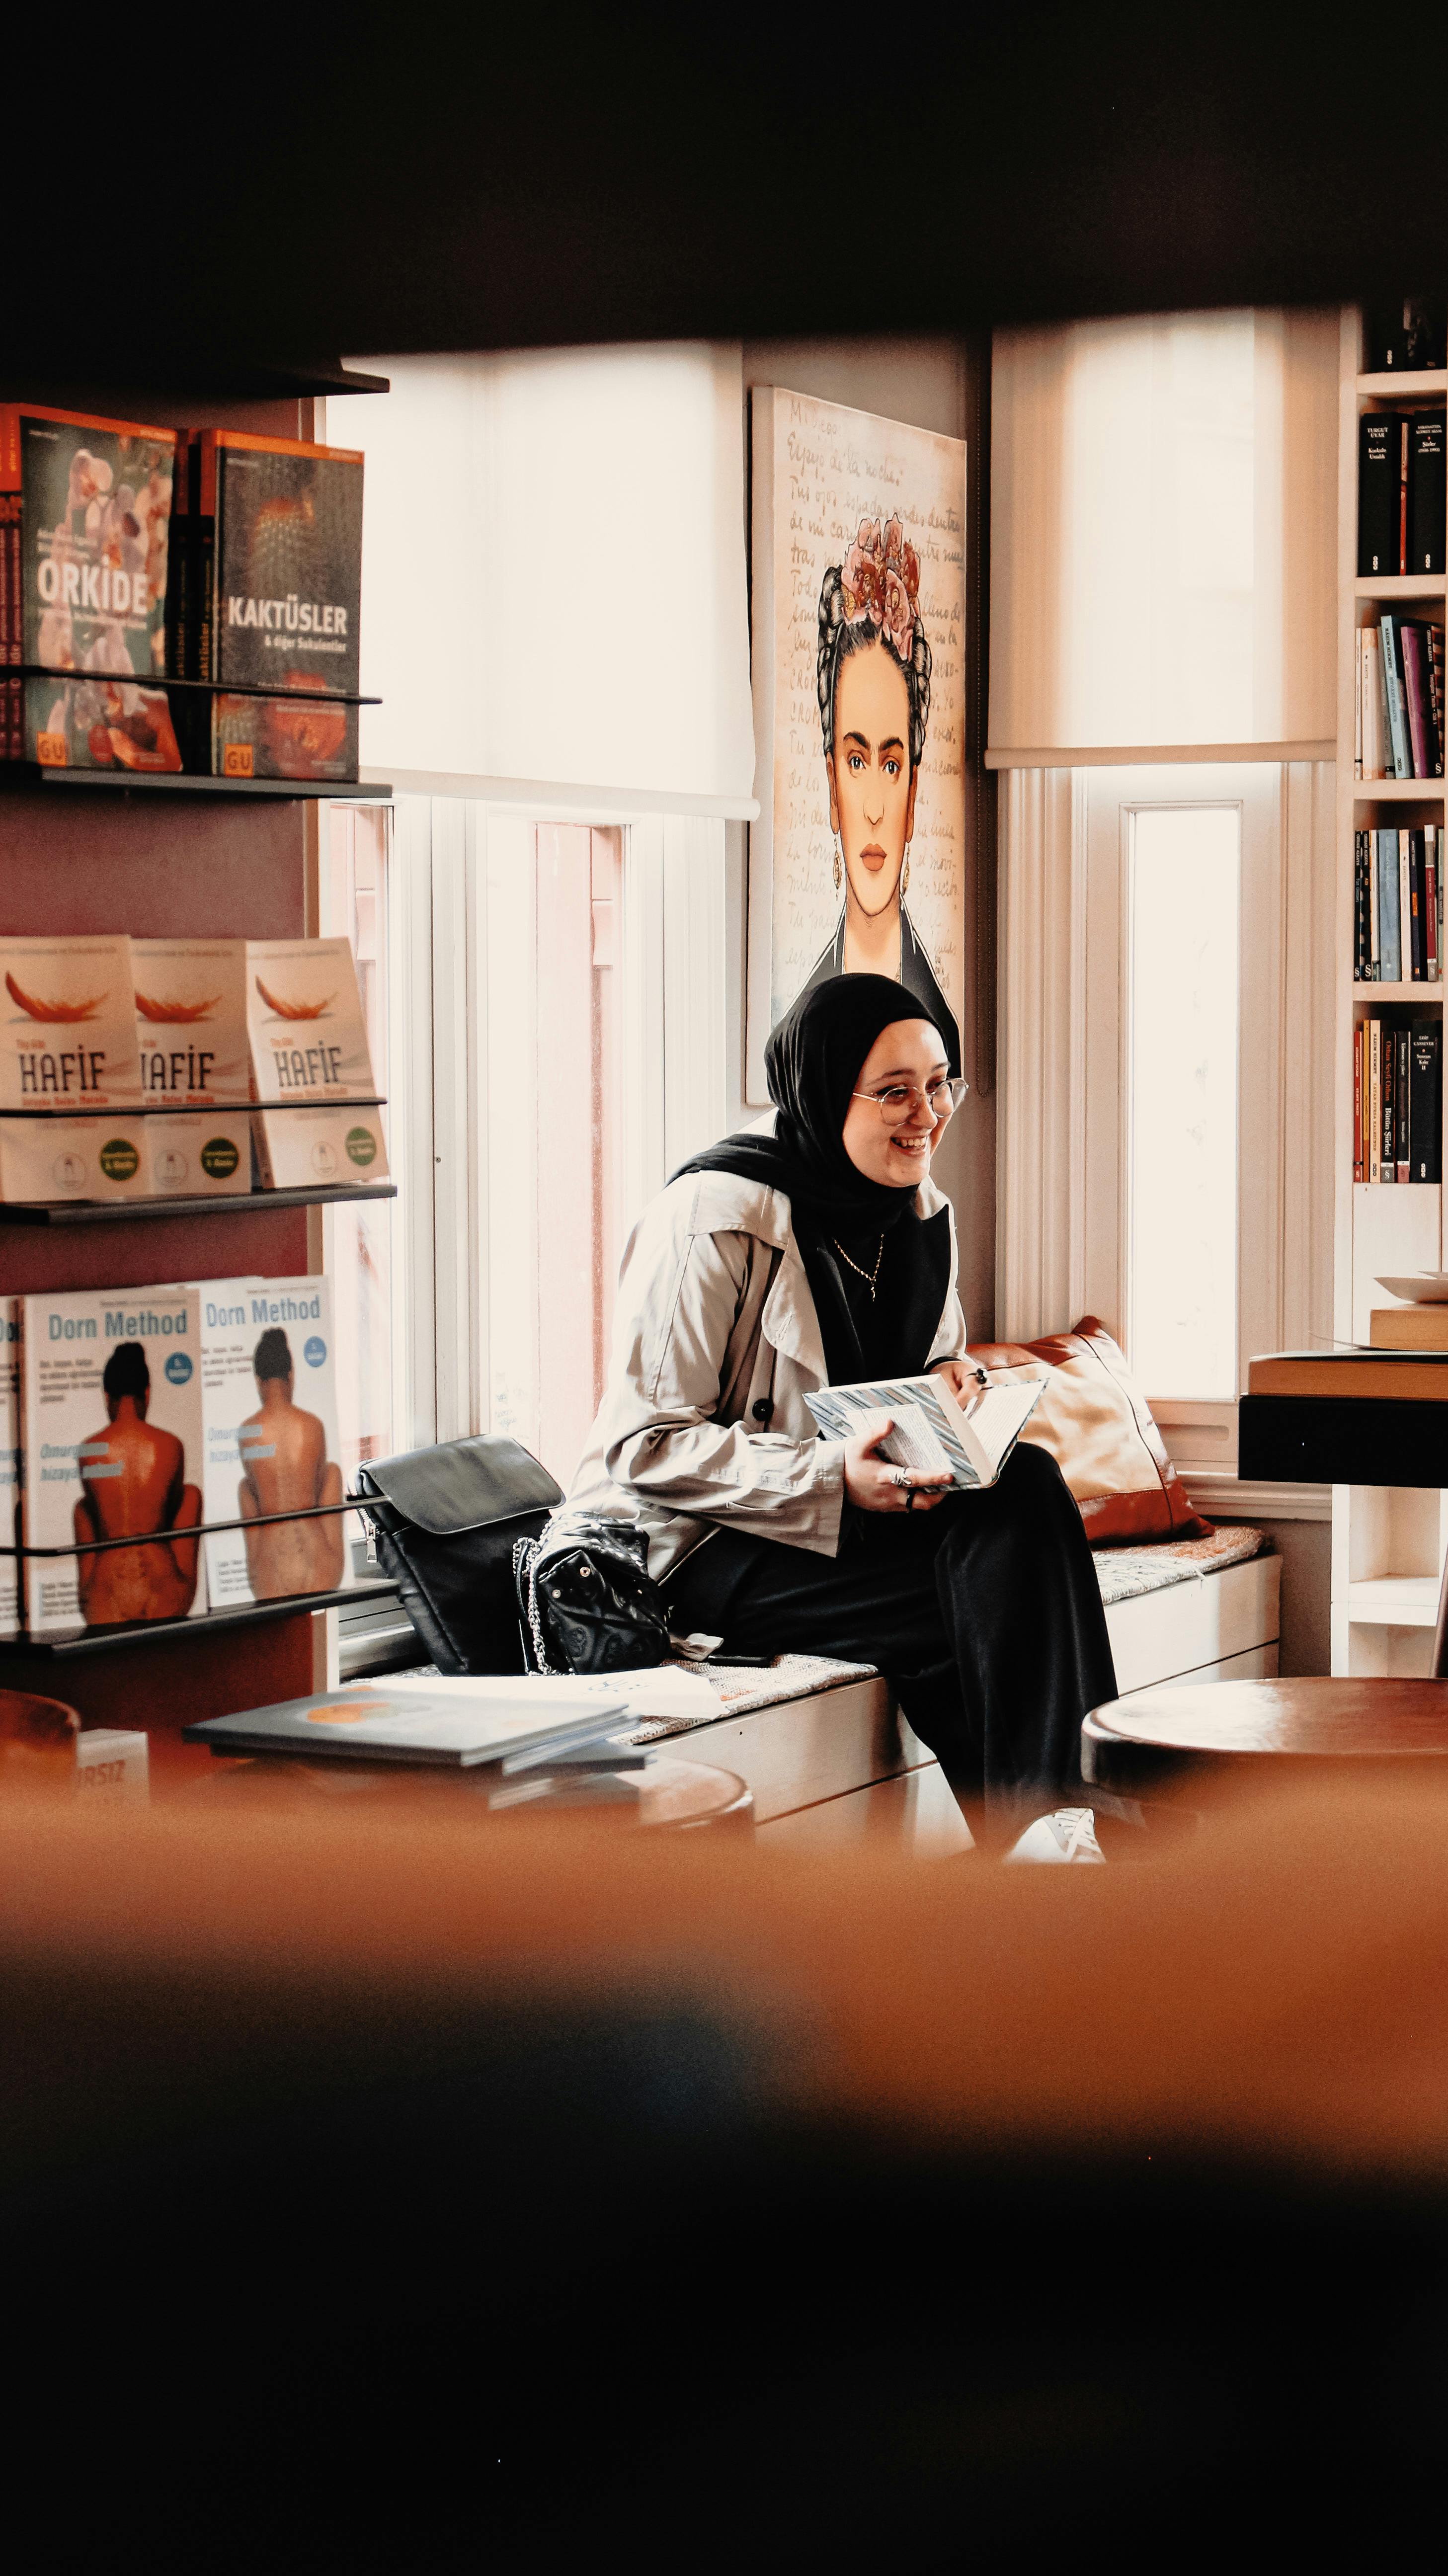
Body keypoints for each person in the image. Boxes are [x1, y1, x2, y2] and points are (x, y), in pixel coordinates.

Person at [568, 974, 1117, 1845]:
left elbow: (918, 1361)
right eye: (895, 1091)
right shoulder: (711, 1216)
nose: (927, 1113)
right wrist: (833, 1475)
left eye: (941, 1083)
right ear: (825, 1093)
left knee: (1027, 1486)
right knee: (982, 1608)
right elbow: (644, 1445)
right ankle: (1059, 1842)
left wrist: (949, 1388)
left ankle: (1050, 1844)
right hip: (705, 1547)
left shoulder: (916, 1208)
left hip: (848, 1526)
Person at [791, 516, 963, 1073]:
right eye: (856, 761)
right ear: (831, 788)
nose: (872, 808)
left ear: (913, 797)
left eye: (890, 765)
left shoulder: (943, 1032)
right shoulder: (797, 1027)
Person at [74, 1342, 202, 1625]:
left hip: (103, 1597)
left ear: (107, 1396)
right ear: (147, 1392)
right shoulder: (171, 1445)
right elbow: (170, 1514)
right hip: (163, 1591)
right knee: (190, 1495)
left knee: (84, 1508)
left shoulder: (89, 1450)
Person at [237, 1326, 346, 1598]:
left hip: (267, 1579)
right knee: (332, 1472)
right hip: (323, 1572)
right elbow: (321, 1486)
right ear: (292, 1375)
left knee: (246, 1487)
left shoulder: (247, 1431)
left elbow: (258, 1500)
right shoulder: (313, 1425)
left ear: (257, 1379)